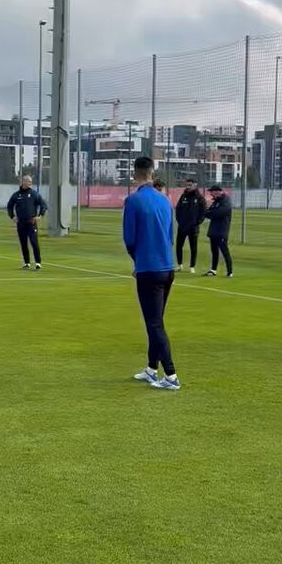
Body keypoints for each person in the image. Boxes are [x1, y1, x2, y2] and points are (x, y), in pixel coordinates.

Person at [123, 155, 180, 390]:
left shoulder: (133, 201)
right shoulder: (165, 200)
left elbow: (130, 239)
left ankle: (171, 376)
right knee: (155, 321)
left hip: (149, 269)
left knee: (154, 324)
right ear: (152, 173)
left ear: (134, 174)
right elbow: (170, 235)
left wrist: (139, 261)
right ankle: (151, 368)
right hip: (167, 267)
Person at [7, 175, 47, 270]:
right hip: (21, 223)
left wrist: (39, 216)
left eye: (30, 181)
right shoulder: (16, 195)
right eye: (28, 181)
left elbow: (43, 205)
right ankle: (27, 263)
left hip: (31, 223)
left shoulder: (34, 194)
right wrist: (12, 216)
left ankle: (38, 263)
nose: (30, 183)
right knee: (23, 243)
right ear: (23, 182)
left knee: (34, 242)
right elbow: (9, 206)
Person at [175, 177, 206, 274]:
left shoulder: (199, 198)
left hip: (193, 227)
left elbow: (203, 211)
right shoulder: (183, 196)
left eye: (190, 185)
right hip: (182, 226)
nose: (188, 187)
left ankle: (192, 266)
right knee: (179, 246)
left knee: (193, 247)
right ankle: (180, 265)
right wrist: (180, 221)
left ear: (195, 185)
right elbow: (178, 209)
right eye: (187, 185)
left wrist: (197, 222)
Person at [204, 184, 233, 277]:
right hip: (213, 230)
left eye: (212, 192)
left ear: (217, 192)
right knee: (214, 251)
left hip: (221, 230)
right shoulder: (216, 202)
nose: (211, 194)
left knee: (224, 251)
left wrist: (210, 212)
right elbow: (208, 213)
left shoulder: (226, 201)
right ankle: (213, 270)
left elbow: (219, 213)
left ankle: (230, 271)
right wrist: (209, 212)